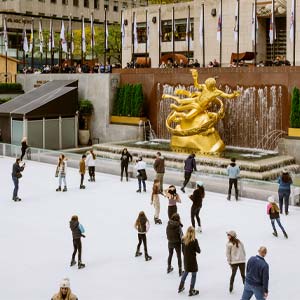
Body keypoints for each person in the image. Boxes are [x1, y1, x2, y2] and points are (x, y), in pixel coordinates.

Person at [178, 226, 201, 296]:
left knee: (186, 272)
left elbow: (182, 251)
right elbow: (199, 251)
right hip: (192, 260)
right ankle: (191, 290)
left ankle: (181, 286)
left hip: (186, 259)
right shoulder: (194, 241)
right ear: (193, 233)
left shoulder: (183, 240)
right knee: (193, 275)